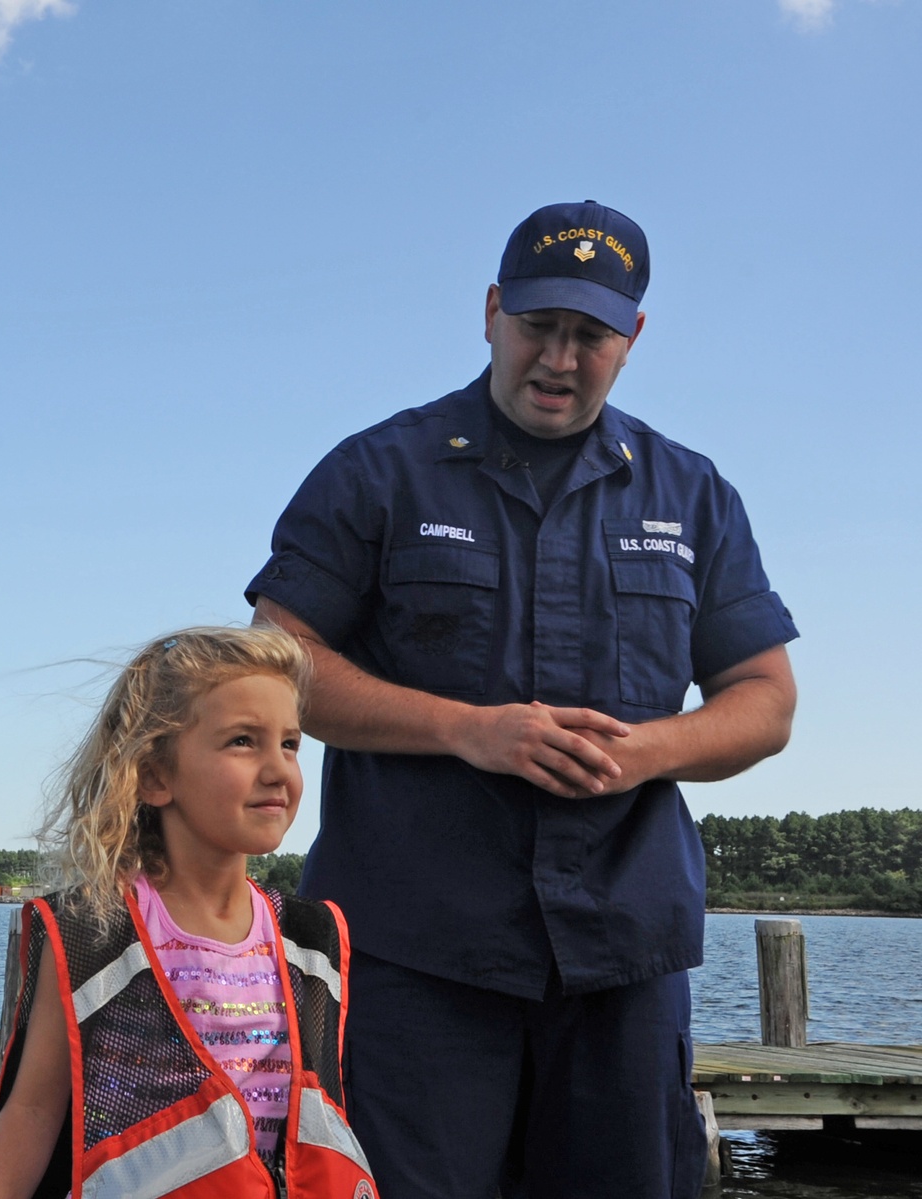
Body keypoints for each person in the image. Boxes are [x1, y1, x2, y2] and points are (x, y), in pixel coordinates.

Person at [246, 200, 799, 1199]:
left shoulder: (692, 491)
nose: (558, 356)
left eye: (589, 334)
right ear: (492, 311)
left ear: (631, 339)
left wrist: (648, 749)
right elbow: (273, 664)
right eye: (538, 325)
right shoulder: (379, 470)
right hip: (415, 950)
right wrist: (467, 730)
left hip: (623, 954)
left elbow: (765, 697)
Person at [0, 626, 379, 1199]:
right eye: (243, 741)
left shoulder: (310, 940)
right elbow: (33, 1111)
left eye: (289, 744)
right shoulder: (96, 931)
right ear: (156, 776)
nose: (278, 769)